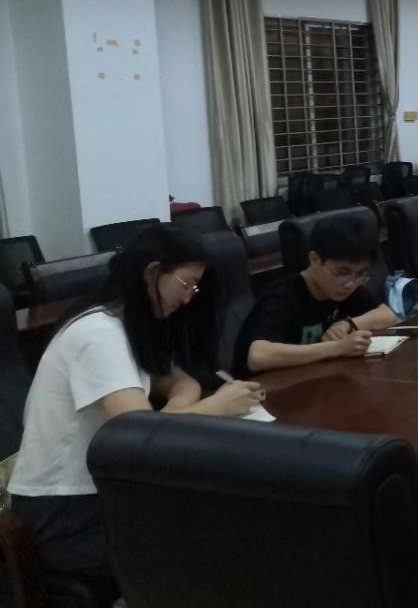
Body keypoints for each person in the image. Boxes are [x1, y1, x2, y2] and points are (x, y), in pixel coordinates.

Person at [9, 225, 264, 604]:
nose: (189, 298)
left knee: (224, 519)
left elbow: (181, 381)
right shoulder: (98, 334)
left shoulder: (127, 326)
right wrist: (217, 407)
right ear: (152, 273)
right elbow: (138, 437)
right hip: (64, 514)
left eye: (195, 289)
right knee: (215, 541)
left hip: (100, 494)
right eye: (187, 284)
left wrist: (178, 408)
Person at [235, 215, 397, 373]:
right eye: (342, 273)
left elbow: (387, 315)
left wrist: (348, 324)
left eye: (361, 274)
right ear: (315, 260)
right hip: (262, 385)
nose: (350, 284)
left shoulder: (344, 287)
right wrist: (336, 348)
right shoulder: (282, 296)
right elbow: (258, 356)